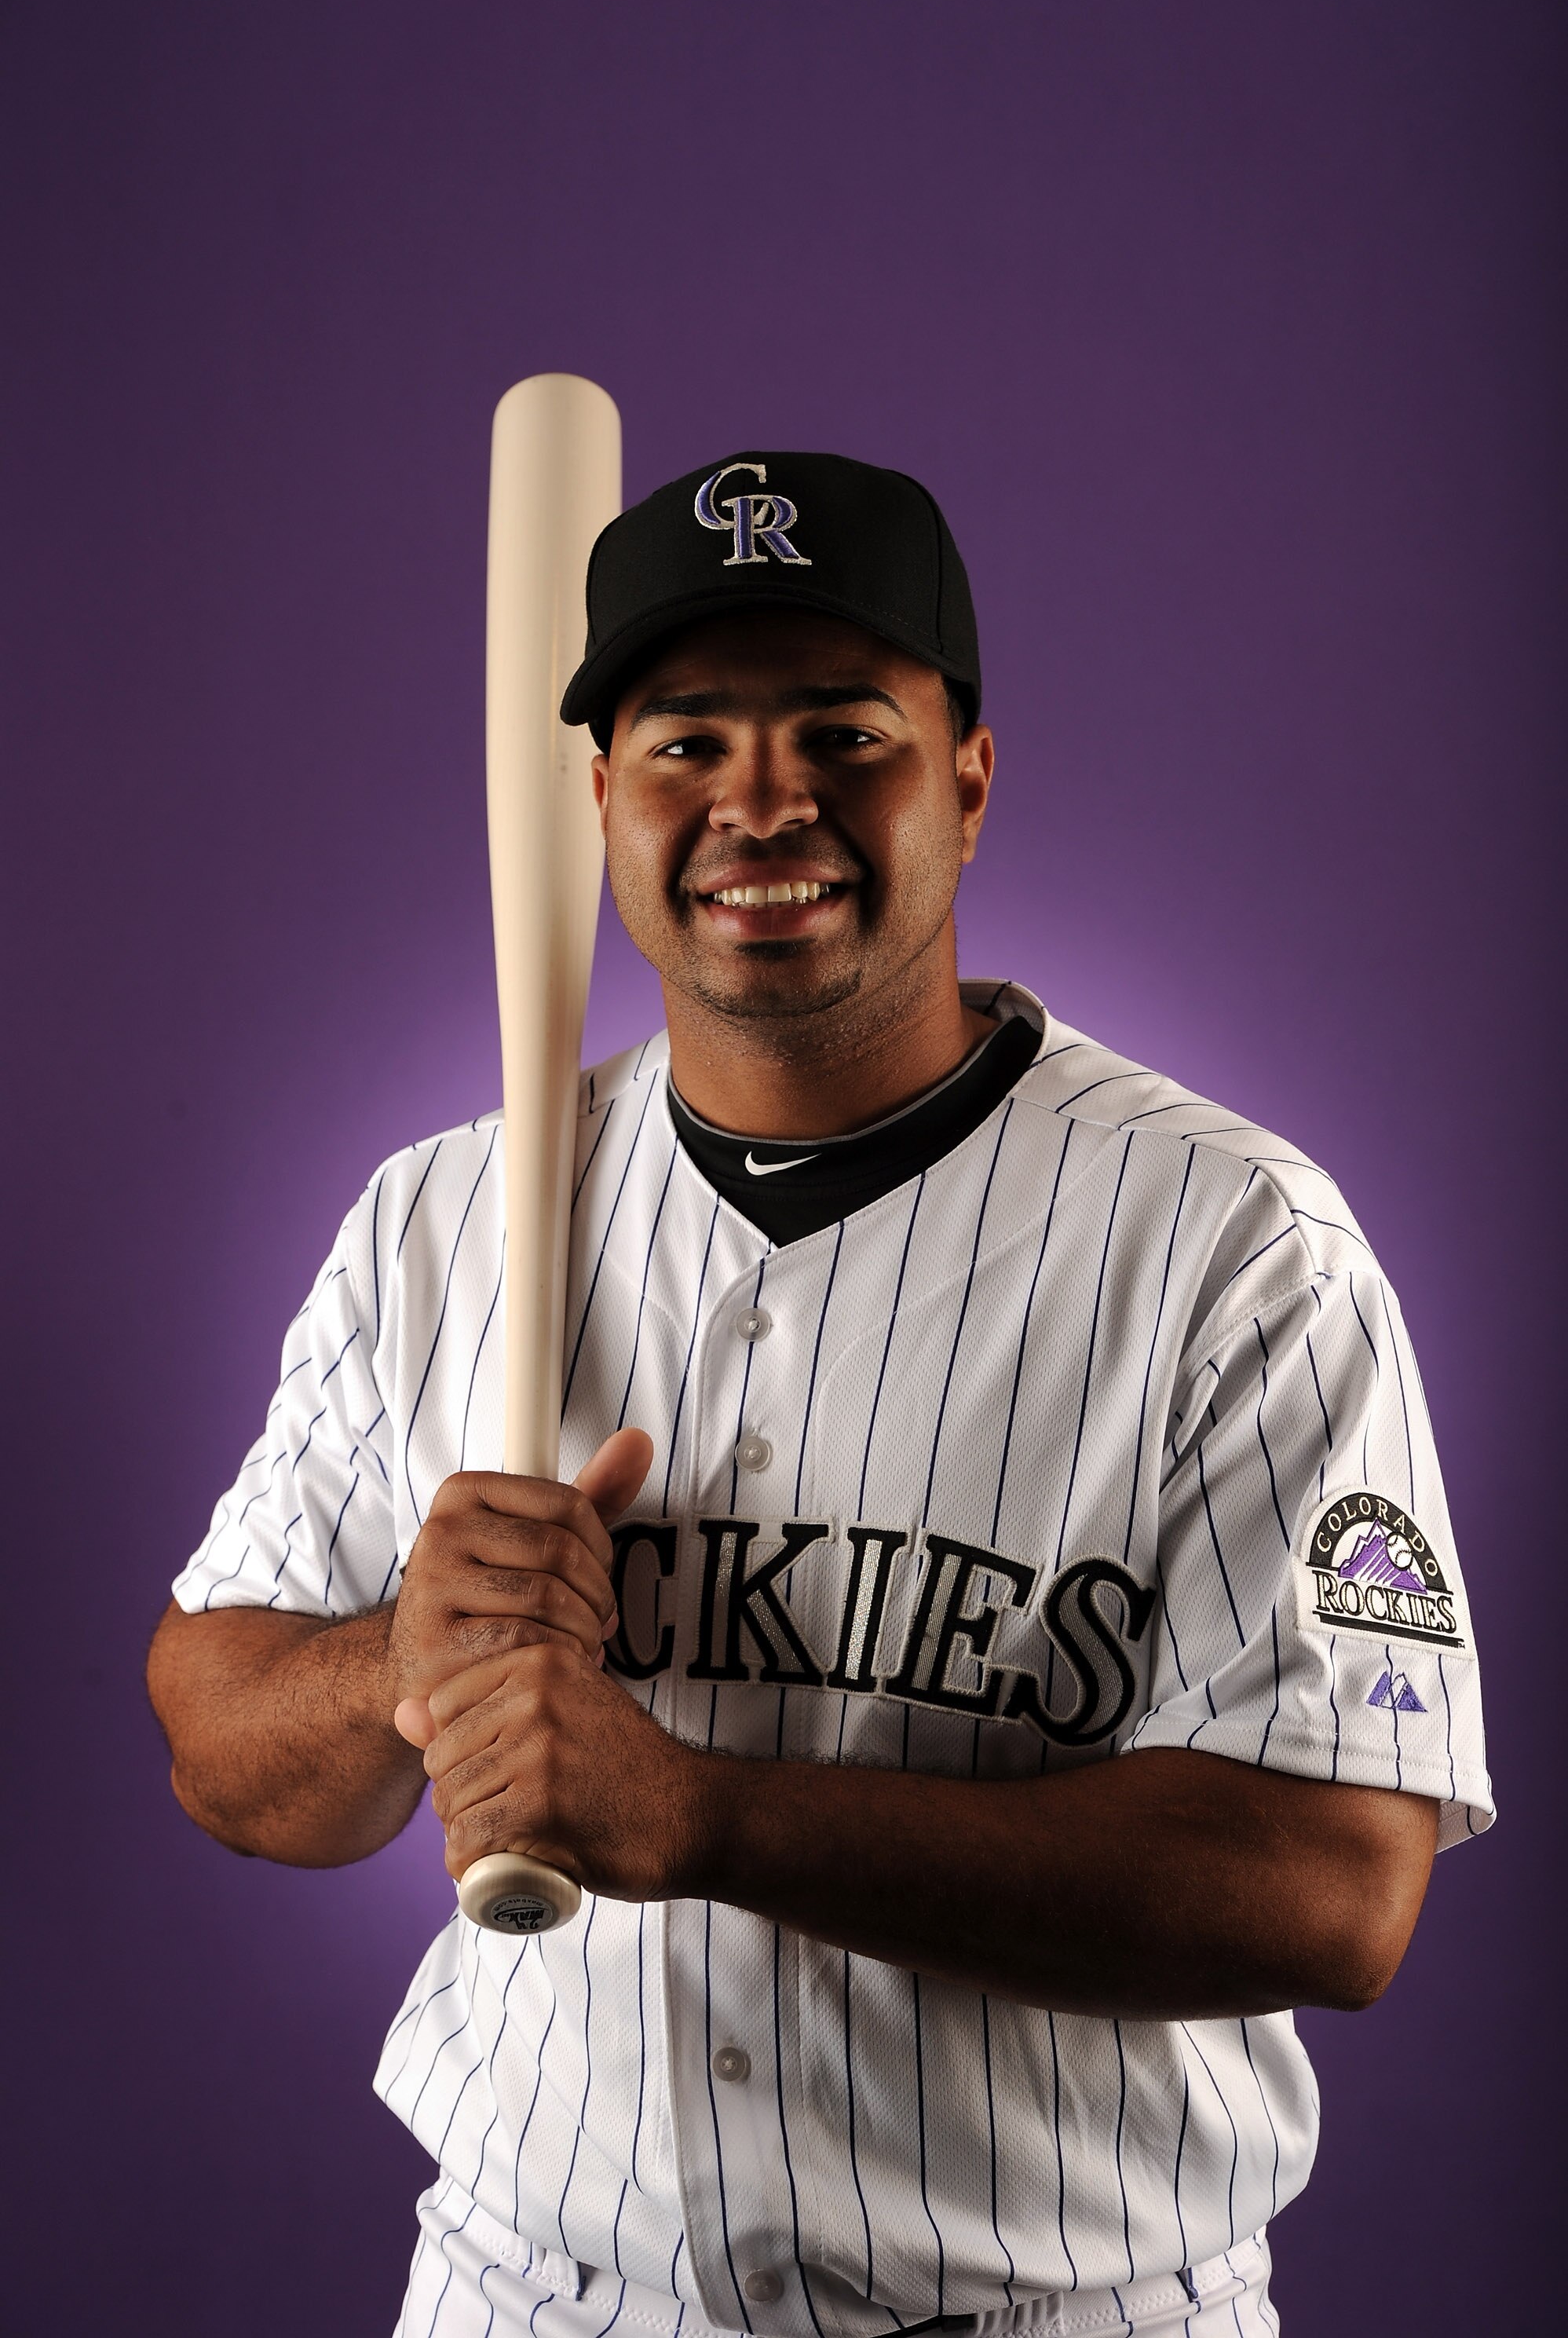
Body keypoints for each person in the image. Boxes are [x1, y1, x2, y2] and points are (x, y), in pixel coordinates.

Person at [148, 452, 1493, 2337]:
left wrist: (704, 1815)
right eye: (686, 739)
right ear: (599, 801)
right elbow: (218, 1733)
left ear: (968, 778)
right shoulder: (440, 1217)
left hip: (1057, 2308)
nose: (760, 799)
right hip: (531, 2292)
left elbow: (1336, 1893)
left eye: (842, 730)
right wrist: (404, 1657)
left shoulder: (1240, 1247)